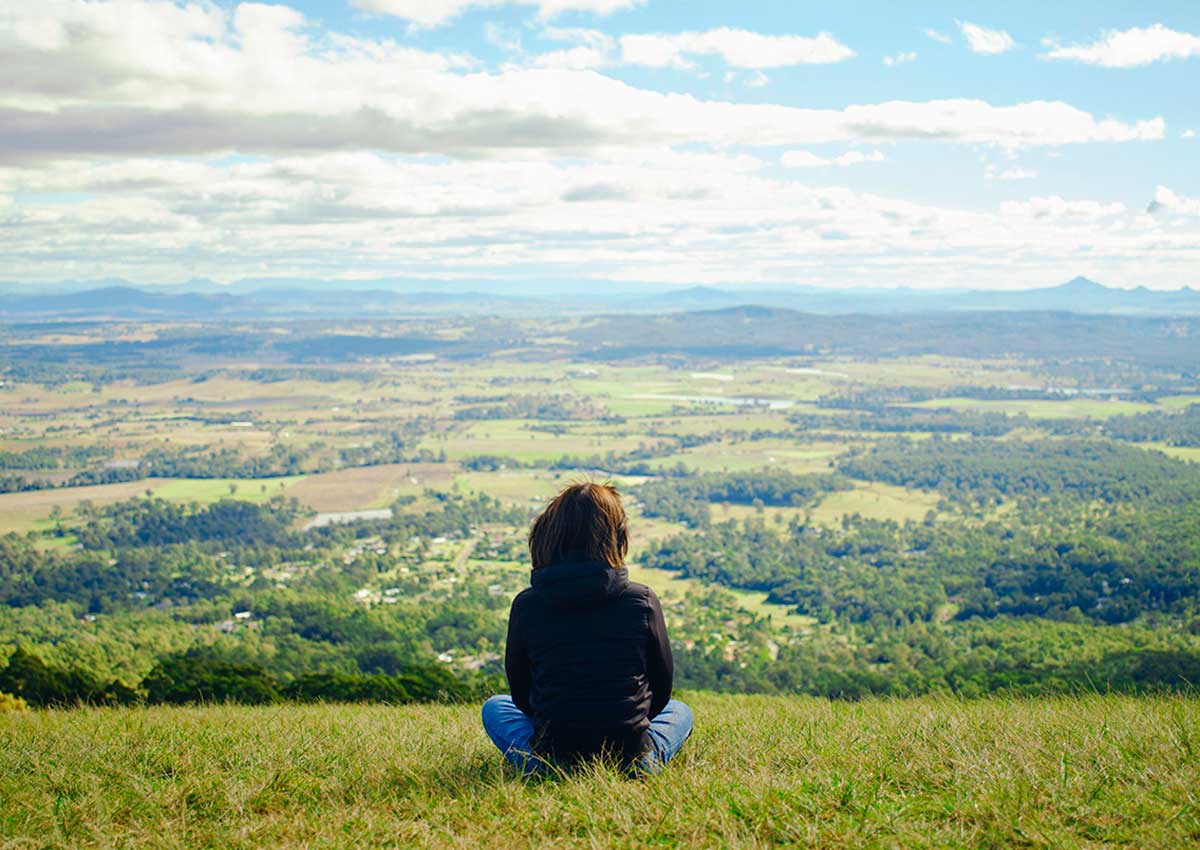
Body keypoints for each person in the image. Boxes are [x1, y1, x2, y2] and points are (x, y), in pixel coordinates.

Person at [482, 481, 693, 775]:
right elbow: (661, 689)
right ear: (615, 537)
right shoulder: (641, 600)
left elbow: (521, 693)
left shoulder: (527, 604)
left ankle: (545, 767)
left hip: (554, 753)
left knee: (495, 707)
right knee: (680, 711)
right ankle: (646, 762)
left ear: (549, 533)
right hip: (630, 755)